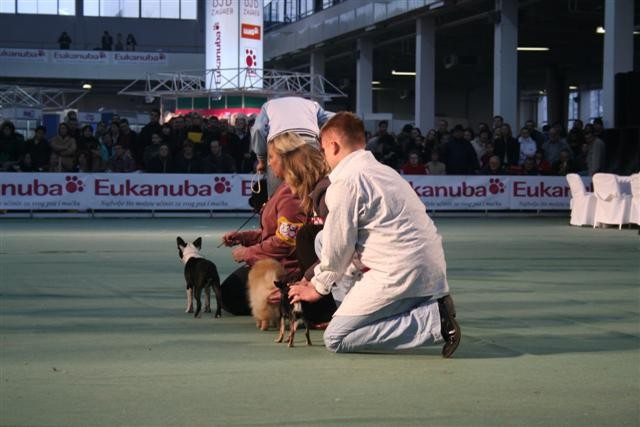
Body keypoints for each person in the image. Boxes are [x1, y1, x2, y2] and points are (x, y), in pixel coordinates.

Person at [288, 112, 461, 356]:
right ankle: (425, 307)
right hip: (427, 271)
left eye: (323, 149)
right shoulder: (386, 172)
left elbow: (339, 249)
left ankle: (433, 320)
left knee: (336, 338)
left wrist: (317, 287)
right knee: (320, 239)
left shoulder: (345, 183)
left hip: (400, 274)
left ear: (333, 145)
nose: (324, 157)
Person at [220, 137, 308, 315]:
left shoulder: (290, 195)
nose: (268, 163)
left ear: (285, 159)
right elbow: (275, 232)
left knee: (228, 296)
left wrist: (248, 253)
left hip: (285, 269)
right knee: (227, 293)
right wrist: (244, 237)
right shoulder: (285, 188)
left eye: (271, 157)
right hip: (273, 262)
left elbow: (285, 242)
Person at [250, 96, 334, 194]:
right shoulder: (312, 105)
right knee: (314, 195)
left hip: (278, 147)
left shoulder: (268, 105)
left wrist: (262, 160)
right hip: (309, 145)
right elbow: (335, 119)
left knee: (277, 198)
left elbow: (258, 129)